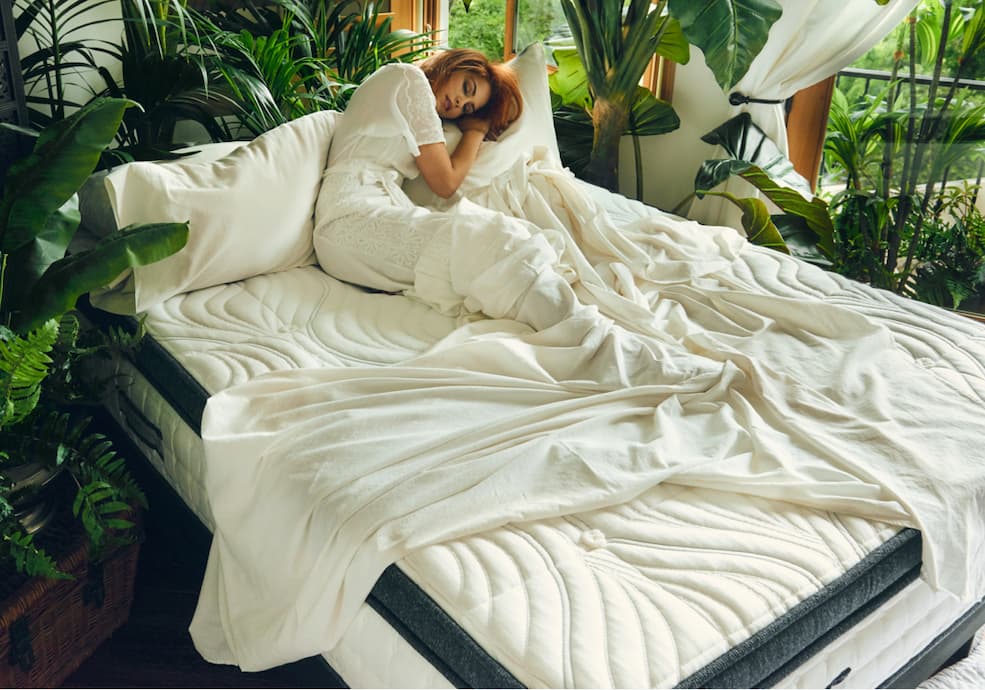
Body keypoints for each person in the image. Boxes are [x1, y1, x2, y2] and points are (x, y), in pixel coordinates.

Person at [314, 48, 525, 298]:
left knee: (496, 238)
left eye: (468, 109)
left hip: (364, 216)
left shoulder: (417, 105)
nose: (460, 103)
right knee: (488, 242)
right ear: (453, 64)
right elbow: (445, 184)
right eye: (466, 87)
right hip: (346, 220)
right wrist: (475, 131)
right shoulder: (409, 80)